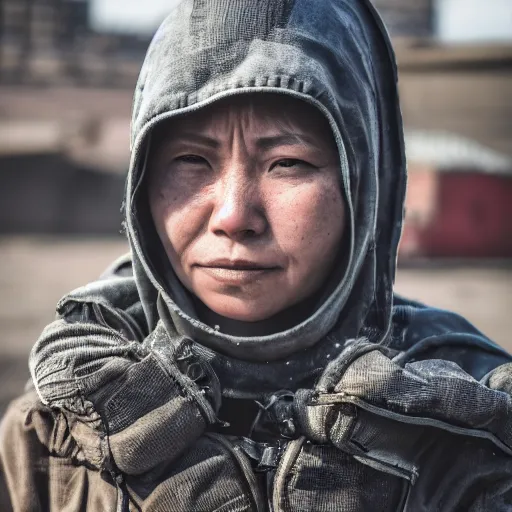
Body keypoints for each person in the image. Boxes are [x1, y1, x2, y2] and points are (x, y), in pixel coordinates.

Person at [1, 0, 512, 510]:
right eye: (191, 160)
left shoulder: (474, 426)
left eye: (287, 162)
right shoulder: (62, 425)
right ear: (142, 182)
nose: (233, 216)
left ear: (363, 184)